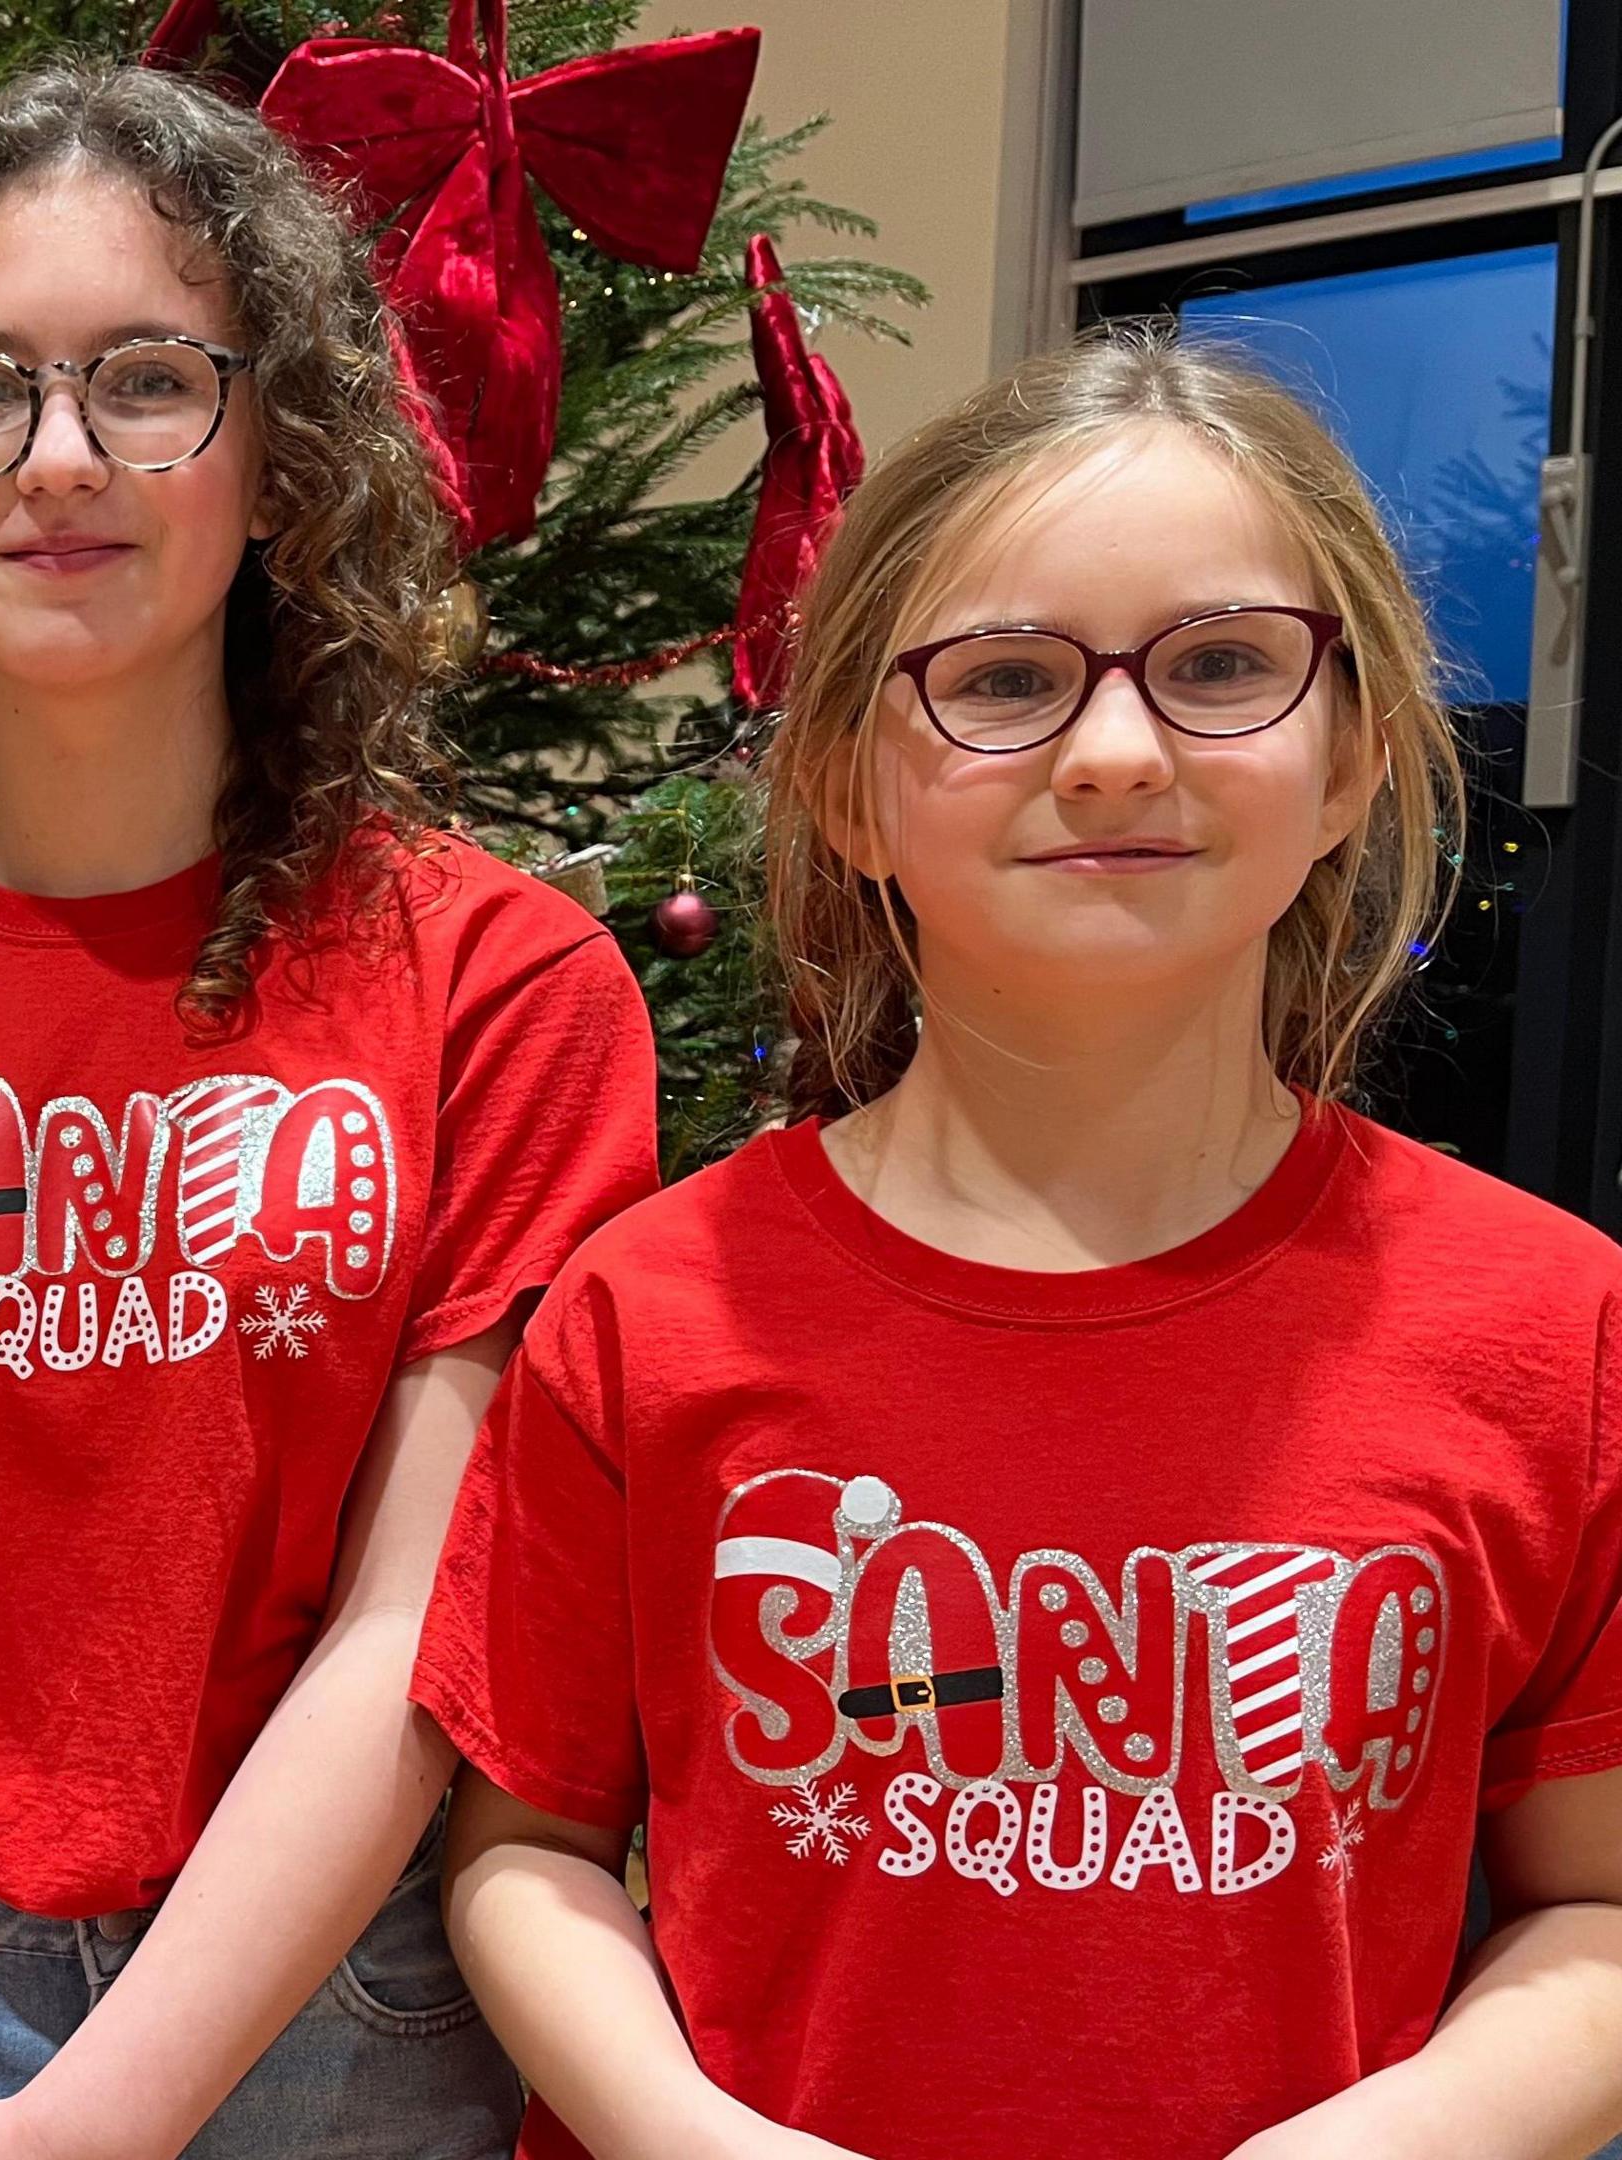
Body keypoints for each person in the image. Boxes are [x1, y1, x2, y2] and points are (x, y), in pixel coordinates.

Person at [417, 329, 1622, 2159]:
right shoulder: (651, 1311)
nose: (1120, 752)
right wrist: (694, 2137)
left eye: (1223, 666)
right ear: (844, 785)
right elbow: (528, 1854)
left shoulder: (1550, 1322)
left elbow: (1594, 1911)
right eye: (1004, 679)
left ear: (1359, 755)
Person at [0, 58, 659, 2160]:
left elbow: (415, 1623)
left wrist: (98, 2119)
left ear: (277, 460)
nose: (58, 457)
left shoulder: (504, 989)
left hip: (335, 2005)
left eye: (150, 381)